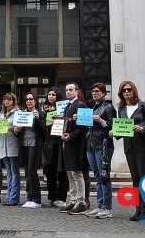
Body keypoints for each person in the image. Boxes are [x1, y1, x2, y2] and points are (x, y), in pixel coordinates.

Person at [115, 80, 145, 221]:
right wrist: (114, 132)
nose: (126, 92)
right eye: (123, 90)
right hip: (129, 147)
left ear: (134, 91)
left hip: (142, 147)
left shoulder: (144, 106)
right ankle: (138, 209)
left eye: (129, 89)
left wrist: (143, 128)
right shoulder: (121, 109)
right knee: (135, 179)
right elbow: (122, 128)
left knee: (144, 178)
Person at [85, 82, 115, 219]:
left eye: (97, 91)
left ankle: (107, 207)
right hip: (91, 144)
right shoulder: (92, 106)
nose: (94, 93)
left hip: (103, 144)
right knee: (97, 176)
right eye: (93, 91)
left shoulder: (108, 107)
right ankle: (99, 205)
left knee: (104, 176)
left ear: (104, 93)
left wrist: (101, 121)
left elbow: (113, 126)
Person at [58, 82, 87, 215]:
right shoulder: (68, 106)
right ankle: (73, 199)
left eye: (71, 90)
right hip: (67, 143)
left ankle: (80, 202)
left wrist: (71, 135)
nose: (68, 92)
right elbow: (66, 122)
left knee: (76, 173)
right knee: (69, 173)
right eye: (66, 90)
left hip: (76, 144)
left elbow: (83, 127)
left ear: (76, 91)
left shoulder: (80, 105)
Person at [42, 87, 68, 207]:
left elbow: (68, 123)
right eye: (49, 94)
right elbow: (41, 127)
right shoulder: (44, 110)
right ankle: (51, 197)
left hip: (60, 143)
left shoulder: (63, 108)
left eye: (53, 94)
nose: (51, 96)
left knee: (62, 172)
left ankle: (61, 197)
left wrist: (59, 119)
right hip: (49, 144)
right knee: (50, 172)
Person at [20, 92, 45, 208]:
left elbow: (44, 132)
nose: (28, 101)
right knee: (26, 171)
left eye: (31, 99)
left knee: (31, 170)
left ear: (35, 101)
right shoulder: (22, 114)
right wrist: (16, 129)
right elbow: (18, 133)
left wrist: (38, 119)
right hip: (24, 145)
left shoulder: (40, 114)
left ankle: (37, 199)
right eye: (27, 99)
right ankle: (29, 197)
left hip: (34, 145)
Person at [0, 93, 21, 206]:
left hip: (13, 145)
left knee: (15, 172)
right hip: (3, 145)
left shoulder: (18, 113)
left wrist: (15, 129)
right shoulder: (2, 114)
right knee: (8, 173)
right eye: (5, 99)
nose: (6, 101)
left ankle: (13, 198)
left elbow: (20, 129)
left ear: (13, 101)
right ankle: (8, 196)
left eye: (9, 99)